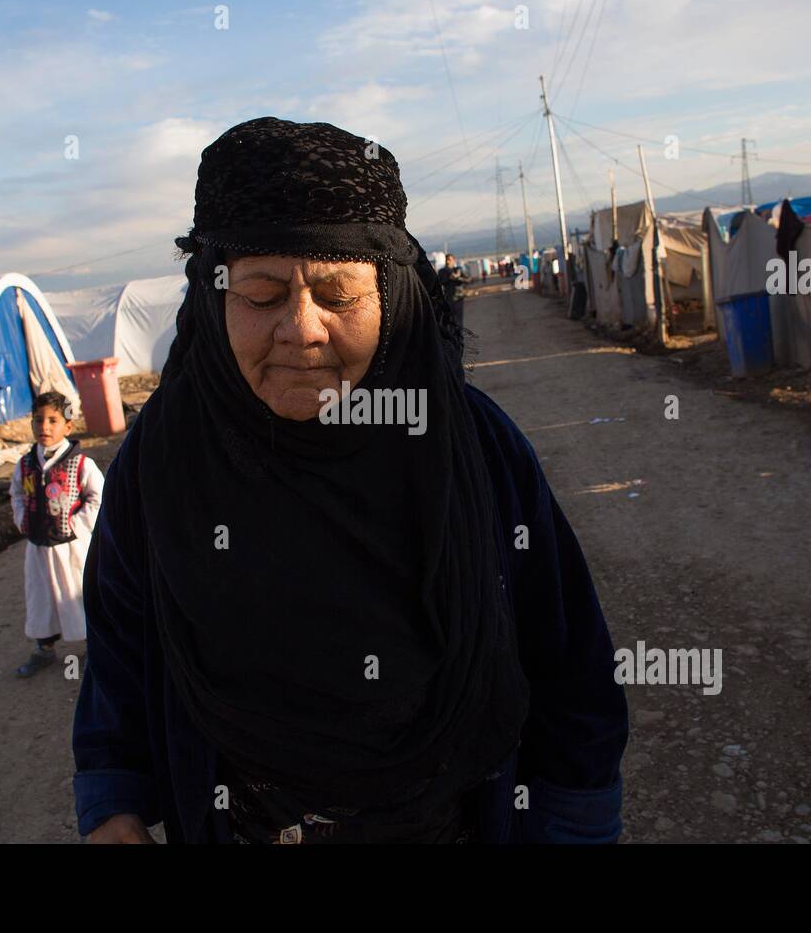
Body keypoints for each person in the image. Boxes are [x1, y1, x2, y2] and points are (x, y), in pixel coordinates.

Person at [72, 117, 628, 844]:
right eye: (263, 295)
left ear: (392, 296)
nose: (302, 328)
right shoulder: (161, 461)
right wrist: (113, 802)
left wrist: (575, 826)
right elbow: (121, 654)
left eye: (338, 295)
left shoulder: (472, 447)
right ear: (212, 300)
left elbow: (568, 665)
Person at [10, 391, 105, 678]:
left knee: (78, 594)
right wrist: (22, 520)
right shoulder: (25, 465)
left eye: (53, 420)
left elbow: (99, 497)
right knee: (42, 597)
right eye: (38, 420)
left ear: (68, 426)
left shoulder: (81, 464)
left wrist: (74, 525)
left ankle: (95, 649)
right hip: (38, 546)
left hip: (71, 548)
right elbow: (16, 494)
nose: (44, 427)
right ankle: (44, 648)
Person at [437, 253, 471, 331]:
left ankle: (459, 339)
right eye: (447, 260)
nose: (448, 262)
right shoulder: (442, 271)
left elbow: (468, 280)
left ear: (454, 260)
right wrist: (449, 278)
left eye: (450, 260)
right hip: (448, 299)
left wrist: (458, 278)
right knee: (450, 321)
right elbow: (440, 283)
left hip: (458, 298)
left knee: (459, 321)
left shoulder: (458, 269)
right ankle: (452, 339)